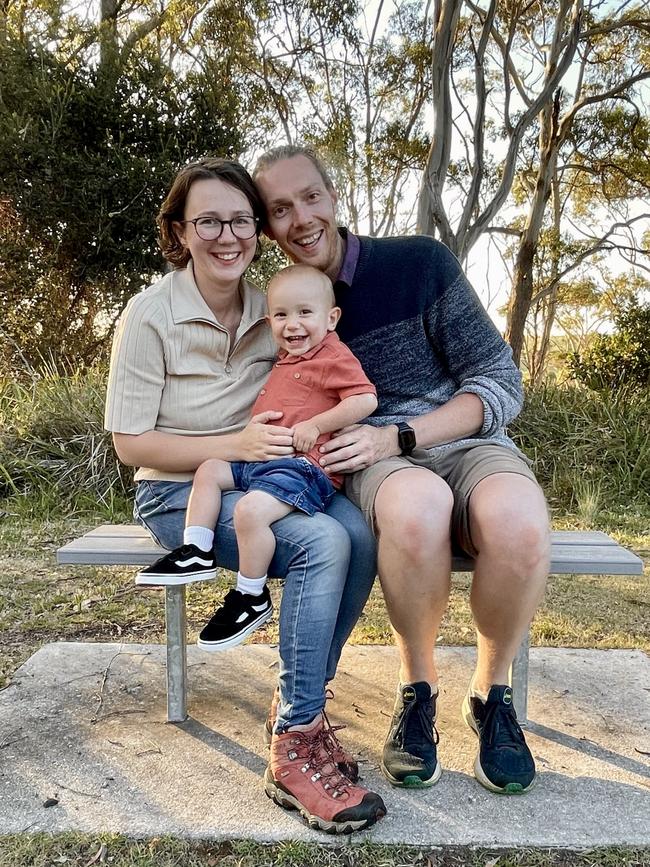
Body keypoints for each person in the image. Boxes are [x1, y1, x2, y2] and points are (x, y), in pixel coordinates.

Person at [254, 145, 551, 796]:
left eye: (310, 197)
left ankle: (491, 693)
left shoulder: (420, 264)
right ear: (268, 227)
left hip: (461, 438)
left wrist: (404, 433)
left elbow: (499, 380)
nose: (300, 218)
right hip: (370, 463)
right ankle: (418, 689)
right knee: (416, 509)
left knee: (521, 522)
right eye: (280, 209)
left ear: (333, 197)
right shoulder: (282, 309)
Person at [104, 157, 386, 833]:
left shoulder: (277, 308)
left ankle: (302, 700)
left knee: (361, 533)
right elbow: (132, 444)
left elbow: (327, 379)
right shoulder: (149, 316)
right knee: (321, 542)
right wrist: (232, 444)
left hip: (273, 477)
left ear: (257, 230)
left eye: (239, 220)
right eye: (208, 221)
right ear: (180, 230)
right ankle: (294, 747)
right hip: (183, 491)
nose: (226, 235)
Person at [136, 263, 378, 652]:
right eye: (281, 315)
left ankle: (251, 594)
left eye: (305, 313)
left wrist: (317, 425)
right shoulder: (288, 355)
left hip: (303, 469)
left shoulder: (334, 355)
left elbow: (365, 399)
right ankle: (196, 551)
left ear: (332, 319)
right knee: (210, 470)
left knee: (249, 513)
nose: (292, 324)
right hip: (264, 462)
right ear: (269, 321)